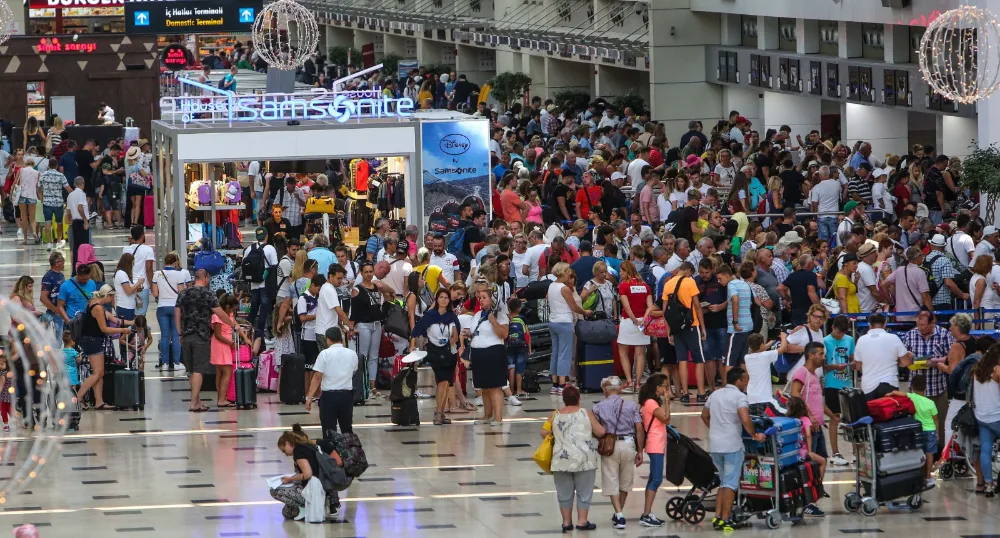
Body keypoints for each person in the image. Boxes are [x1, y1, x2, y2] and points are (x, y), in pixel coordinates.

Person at [702, 367, 765, 531]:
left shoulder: (714, 394)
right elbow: (745, 418)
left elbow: (704, 415)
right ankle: (726, 519)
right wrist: (754, 435)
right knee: (730, 484)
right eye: (745, 380)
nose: (747, 383)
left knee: (723, 482)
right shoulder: (740, 397)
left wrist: (716, 429)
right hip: (731, 446)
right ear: (738, 381)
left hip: (715, 445)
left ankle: (717, 518)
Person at [544, 384, 606, 532]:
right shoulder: (585, 413)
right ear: (579, 398)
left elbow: (543, 433)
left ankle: (566, 523)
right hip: (584, 459)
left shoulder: (555, 414)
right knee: (584, 491)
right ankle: (582, 522)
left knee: (564, 492)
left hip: (561, 459)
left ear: (563, 399)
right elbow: (601, 431)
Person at [176, 269, 237, 412]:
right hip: (201, 336)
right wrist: (233, 324)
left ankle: (197, 401)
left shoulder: (183, 293)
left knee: (191, 371)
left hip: (186, 336)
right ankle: (193, 403)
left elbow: (177, 313)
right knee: (198, 370)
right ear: (206, 277)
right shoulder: (208, 294)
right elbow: (220, 314)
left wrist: (179, 333)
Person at [591, 376, 644, 529]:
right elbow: (639, 428)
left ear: (604, 390)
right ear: (620, 388)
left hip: (610, 447)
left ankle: (619, 515)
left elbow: (596, 430)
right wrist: (640, 450)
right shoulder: (632, 405)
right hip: (628, 445)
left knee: (611, 479)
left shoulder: (598, 407)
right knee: (625, 482)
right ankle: (618, 513)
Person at [73, 285, 132, 411]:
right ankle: (78, 397)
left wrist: (129, 323)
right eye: (112, 297)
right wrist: (122, 330)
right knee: (98, 372)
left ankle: (99, 401)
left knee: (99, 372)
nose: (113, 300)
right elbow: (104, 328)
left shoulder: (93, 303)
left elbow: (111, 320)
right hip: (92, 340)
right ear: (108, 295)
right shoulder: (98, 307)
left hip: (91, 340)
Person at [902, 310, 952, 453]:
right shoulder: (910, 335)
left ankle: (940, 452)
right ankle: (917, 452)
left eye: (924, 325)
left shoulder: (944, 335)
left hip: (937, 387)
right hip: (916, 390)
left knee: (940, 422)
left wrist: (936, 361)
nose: (920, 328)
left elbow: (951, 357)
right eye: (918, 325)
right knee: (916, 422)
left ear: (932, 322)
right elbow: (902, 359)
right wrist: (909, 358)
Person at [788, 341, 829, 516]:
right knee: (811, 464)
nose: (823, 357)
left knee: (821, 461)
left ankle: (812, 495)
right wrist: (810, 417)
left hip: (818, 426)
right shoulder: (801, 373)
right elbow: (795, 394)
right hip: (808, 428)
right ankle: (807, 499)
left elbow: (818, 400)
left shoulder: (814, 374)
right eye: (820, 353)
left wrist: (831, 415)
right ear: (811, 355)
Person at [409, 288, 462, 425]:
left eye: (446, 297)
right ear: (437, 299)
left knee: (446, 383)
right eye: (441, 297)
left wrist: (450, 343)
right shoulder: (430, 315)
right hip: (435, 352)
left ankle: (442, 413)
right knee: (442, 380)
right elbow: (416, 330)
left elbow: (456, 334)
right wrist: (412, 346)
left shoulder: (451, 316)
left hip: (449, 352)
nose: (443, 300)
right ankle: (438, 412)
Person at [272, 424, 341, 521]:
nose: (285, 454)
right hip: (321, 487)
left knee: (274, 490)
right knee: (287, 512)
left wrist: (291, 479)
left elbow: (307, 474)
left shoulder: (298, 451)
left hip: (312, 490)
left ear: (287, 443)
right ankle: (304, 507)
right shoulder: (308, 446)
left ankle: (303, 506)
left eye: (284, 450)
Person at [662, 261, 708, 402]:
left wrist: (669, 331)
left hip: (676, 327)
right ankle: (700, 393)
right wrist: (702, 327)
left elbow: (665, 312)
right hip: (691, 325)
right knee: (698, 360)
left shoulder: (668, 283)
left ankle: (685, 394)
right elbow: (697, 306)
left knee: (682, 359)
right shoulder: (690, 282)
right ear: (688, 271)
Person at [466, 286, 509, 426]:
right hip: (478, 352)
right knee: (483, 386)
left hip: (493, 352)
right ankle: (487, 414)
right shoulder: (478, 314)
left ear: (492, 299)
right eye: (480, 297)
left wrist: (493, 321)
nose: (481, 300)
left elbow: (503, 334)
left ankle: (498, 417)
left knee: (495, 386)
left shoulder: (500, 314)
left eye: (484, 297)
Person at [888, 374, 938, 489]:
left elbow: (898, 393)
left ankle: (919, 474)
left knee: (919, 452)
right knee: (929, 453)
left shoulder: (912, 397)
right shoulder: (931, 403)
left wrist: (891, 394)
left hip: (918, 431)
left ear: (912, 387)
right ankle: (928, 476)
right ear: (926, 388)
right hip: (930, 430)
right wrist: (937, 432)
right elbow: (936, 419)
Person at [547, 265, 591, 393]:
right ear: (564, 272)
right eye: (568, 273)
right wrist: (585, 311)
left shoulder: (551, 286)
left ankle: (554, 383)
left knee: (555, 353)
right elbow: (574, 306)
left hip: (553, 321)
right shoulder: (564, 288)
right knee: (564, 354)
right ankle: (562, 384)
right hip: (564, 322)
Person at [854, 313, 914, 400]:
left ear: (869, 325)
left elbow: (858, 366)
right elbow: (906, 362)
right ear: (885, 324)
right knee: (889, 413)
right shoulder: (894, 338)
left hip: (868, 386)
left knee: (870, 413)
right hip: (889, 384)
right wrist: (897, 361)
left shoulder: (861, 340)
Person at [637, 373, 670, 527]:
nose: (667, 389)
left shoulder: (649, 402)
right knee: (656, 479)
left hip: (657, 443)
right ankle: (646, 514)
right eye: (665, 386)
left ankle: (647, 512)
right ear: (658, 387)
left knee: (653, 478)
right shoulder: (651, 403)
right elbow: (666, 419)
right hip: (655, 444)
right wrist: (668, 403)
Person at [823, 316, 854, 466]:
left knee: (851, 419)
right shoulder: (825, 341)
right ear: (832, 327)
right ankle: (835, 452)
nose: (840, 335)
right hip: (831, 384)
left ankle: (855, 452)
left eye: (843, 333)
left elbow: (853, 360)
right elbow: (822, 364)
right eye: (838, 332)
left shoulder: (849, 340)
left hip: (846, 383)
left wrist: (852, 364)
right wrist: (833, 367)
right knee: (835, 418)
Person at [617, 261, 653, 393]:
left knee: (623, 351)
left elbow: (626, 306)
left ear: (627, 271)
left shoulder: (624, 285)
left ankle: (629, 381)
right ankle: (638, 384)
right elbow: (650, 306)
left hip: (628, 321)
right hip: (643, 322)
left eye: (621, 271)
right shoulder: (645, 285)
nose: (620, 273)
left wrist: (633, 319)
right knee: (640, 354)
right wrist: (643, 319)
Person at [152, 252, 188, 370]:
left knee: (164, 336)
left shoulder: (157, 274)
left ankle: (165, 362)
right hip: (175, 307)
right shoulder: (179, 275)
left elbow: (155, 293)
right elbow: (182, 293)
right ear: (174, 262)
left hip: (162, 307)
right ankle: (177, 362)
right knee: (176, 335)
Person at [972, 346, 1000, 497]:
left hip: (981, 417)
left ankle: (988, 484)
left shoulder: (977, 371)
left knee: (985, 451)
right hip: (997, 416)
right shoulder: (997, 370)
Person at [784, 396, 828, 491]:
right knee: (823, 461)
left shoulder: (787, 419)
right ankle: (818, 486)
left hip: (792, 451)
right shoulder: (805, 419)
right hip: (803, 452)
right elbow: (808, 435)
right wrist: (810, 451)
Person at [211, 294, 248, 408]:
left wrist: (245, 338)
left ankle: (221, 397)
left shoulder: (229, 314)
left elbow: (236, 324)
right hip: (221, 344)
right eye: (232, 308)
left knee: (220, 372)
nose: (233, 311)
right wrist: (231, 343)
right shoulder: (217, 316)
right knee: (227, 371)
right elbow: (217, 335)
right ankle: (222, 399)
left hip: (224, 344)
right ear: (227, 306)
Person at [717, 264, 752, 381]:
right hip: (748, 325)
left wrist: (735, 321)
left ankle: (729, 388)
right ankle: (744, 387)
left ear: (727, 275)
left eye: (720, 278)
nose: (719, 281)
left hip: (736, 328)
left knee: (729, 360)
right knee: (743, 360)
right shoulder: (744, 283)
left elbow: (735, 299)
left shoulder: (731, 284)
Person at [245, 227, 280, 338]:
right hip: (265, 284)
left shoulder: (249, 249)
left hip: (253, 284)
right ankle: (261, 335)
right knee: (264, 310)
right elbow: (275, 265)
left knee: (254, 310)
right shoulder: (270, 248)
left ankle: (247, 332)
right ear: (266, 236)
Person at [745, 332, 788, 416]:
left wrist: (768, 344)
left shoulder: (747, 357)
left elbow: (759, 351)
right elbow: (783, 348)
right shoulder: (766, 356)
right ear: (761, 345)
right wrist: (783, 337)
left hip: (751, 398)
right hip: (764, 398)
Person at [37, 157, 71, 250]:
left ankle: (49, 243)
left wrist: (41, 198)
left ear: (48, 165)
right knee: (59, 223)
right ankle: (59, 242)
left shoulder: (43, 175)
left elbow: (39, 188)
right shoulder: (61, 176)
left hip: (47, 203)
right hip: (58, 203)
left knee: (47, 222)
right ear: (57, 166)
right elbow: (68, 189)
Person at [125, 225, 155, 317]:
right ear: (142, 235)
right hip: (142, 287)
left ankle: (130, 331)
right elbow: (149, 269)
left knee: (130, 316)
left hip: (128, 287)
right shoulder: (148, 250)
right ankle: (140, 331)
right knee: (140, 317)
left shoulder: (126, 249)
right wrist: (153, 286)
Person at [506, 297, 531, 398]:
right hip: (521, 346)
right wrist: (529, 347)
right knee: (519, 368)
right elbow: (527, 334)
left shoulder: (507, 319)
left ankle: (511, 390)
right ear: (519, 308)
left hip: (509, 346)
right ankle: (519, 389)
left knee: (511, 367)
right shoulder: (522, 319)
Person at [66, 176, 91, 272]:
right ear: (82, 184)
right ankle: (84, 267)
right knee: (84, 246)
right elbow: (80, 207)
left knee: (76, 247)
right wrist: (85, 221)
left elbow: (68, 212)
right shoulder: (81, 194)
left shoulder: (70, 195)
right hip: (81, 222)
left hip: (74, 223)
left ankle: (75, 269)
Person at [40, 252, 67, 336]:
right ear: (57, 263)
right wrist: (55, 309)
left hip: (63, 311)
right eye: (63, 261)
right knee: (56, 342)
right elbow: (43, 298)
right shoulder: (48, 277)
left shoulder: (61, 275)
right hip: (55, 314)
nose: (64, 263)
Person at [112, 253, 142, 321]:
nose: (133, 265)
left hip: (127, 306)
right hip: (125, 307)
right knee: (127, 329)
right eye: (132, 263)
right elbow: (128, 291)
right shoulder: (122, 274)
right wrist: (138, 283)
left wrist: (137, 288)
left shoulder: (121, 273)